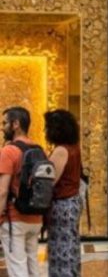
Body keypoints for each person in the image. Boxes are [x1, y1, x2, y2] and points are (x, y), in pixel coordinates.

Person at [0, 107, 44, 277]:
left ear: (16, 124)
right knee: (33, 267)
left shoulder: (8, 151)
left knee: (18, 269)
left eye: (5, 123)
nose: (2, 127)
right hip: (36, 218)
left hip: (14, 219)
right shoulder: (39, 150)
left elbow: (2, 191)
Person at [44, 109, 84, 277]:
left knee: (61, 246)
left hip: (62, 204)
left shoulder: (61, 150)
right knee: (71, 243)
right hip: (73, 201)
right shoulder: (75, 148)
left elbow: (50, 180)